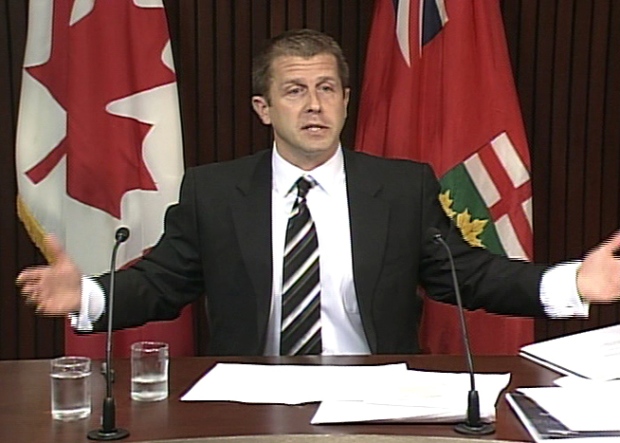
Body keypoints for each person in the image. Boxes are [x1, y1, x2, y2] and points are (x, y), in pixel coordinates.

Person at [17, 29, 620, 356]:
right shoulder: (215, 191)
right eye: (295, 91)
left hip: (375, 389)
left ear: (346, 101)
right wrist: (90, 294)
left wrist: (570, 284)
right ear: (263, 107)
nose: (314, 105)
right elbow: (163, 282)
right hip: (252, 393)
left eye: (328, 88)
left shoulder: (399, 186)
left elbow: (470, 275)